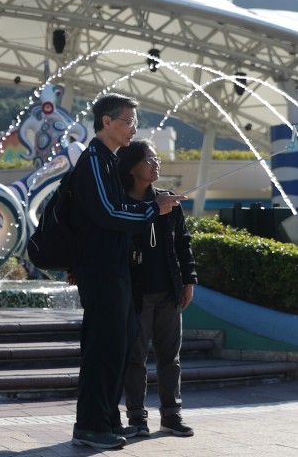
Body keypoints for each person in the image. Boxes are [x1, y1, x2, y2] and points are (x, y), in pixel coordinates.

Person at [70, 94, 186, 450]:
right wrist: (154, 211)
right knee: (104, 349)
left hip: (115, 268)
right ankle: (89, 425)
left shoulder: (109, 161)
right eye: (128, 122)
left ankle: (105, 420)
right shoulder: (93, 160)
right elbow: (108, 214)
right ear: (107, 121)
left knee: (118, 348)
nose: (133, 129)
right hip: (101, 270)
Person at [118, 139, 198, 438]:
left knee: (170, 358)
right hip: (136, 295)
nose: (155, 163)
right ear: (132, 166)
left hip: (168, 291)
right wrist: (151, 211)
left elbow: (183, 245)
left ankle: (172, 415)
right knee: (134, 359)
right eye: (148, 159)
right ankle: (137, 418)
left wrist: (188, 281)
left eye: (156, 158)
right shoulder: (121, 204)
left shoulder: (169, 201)